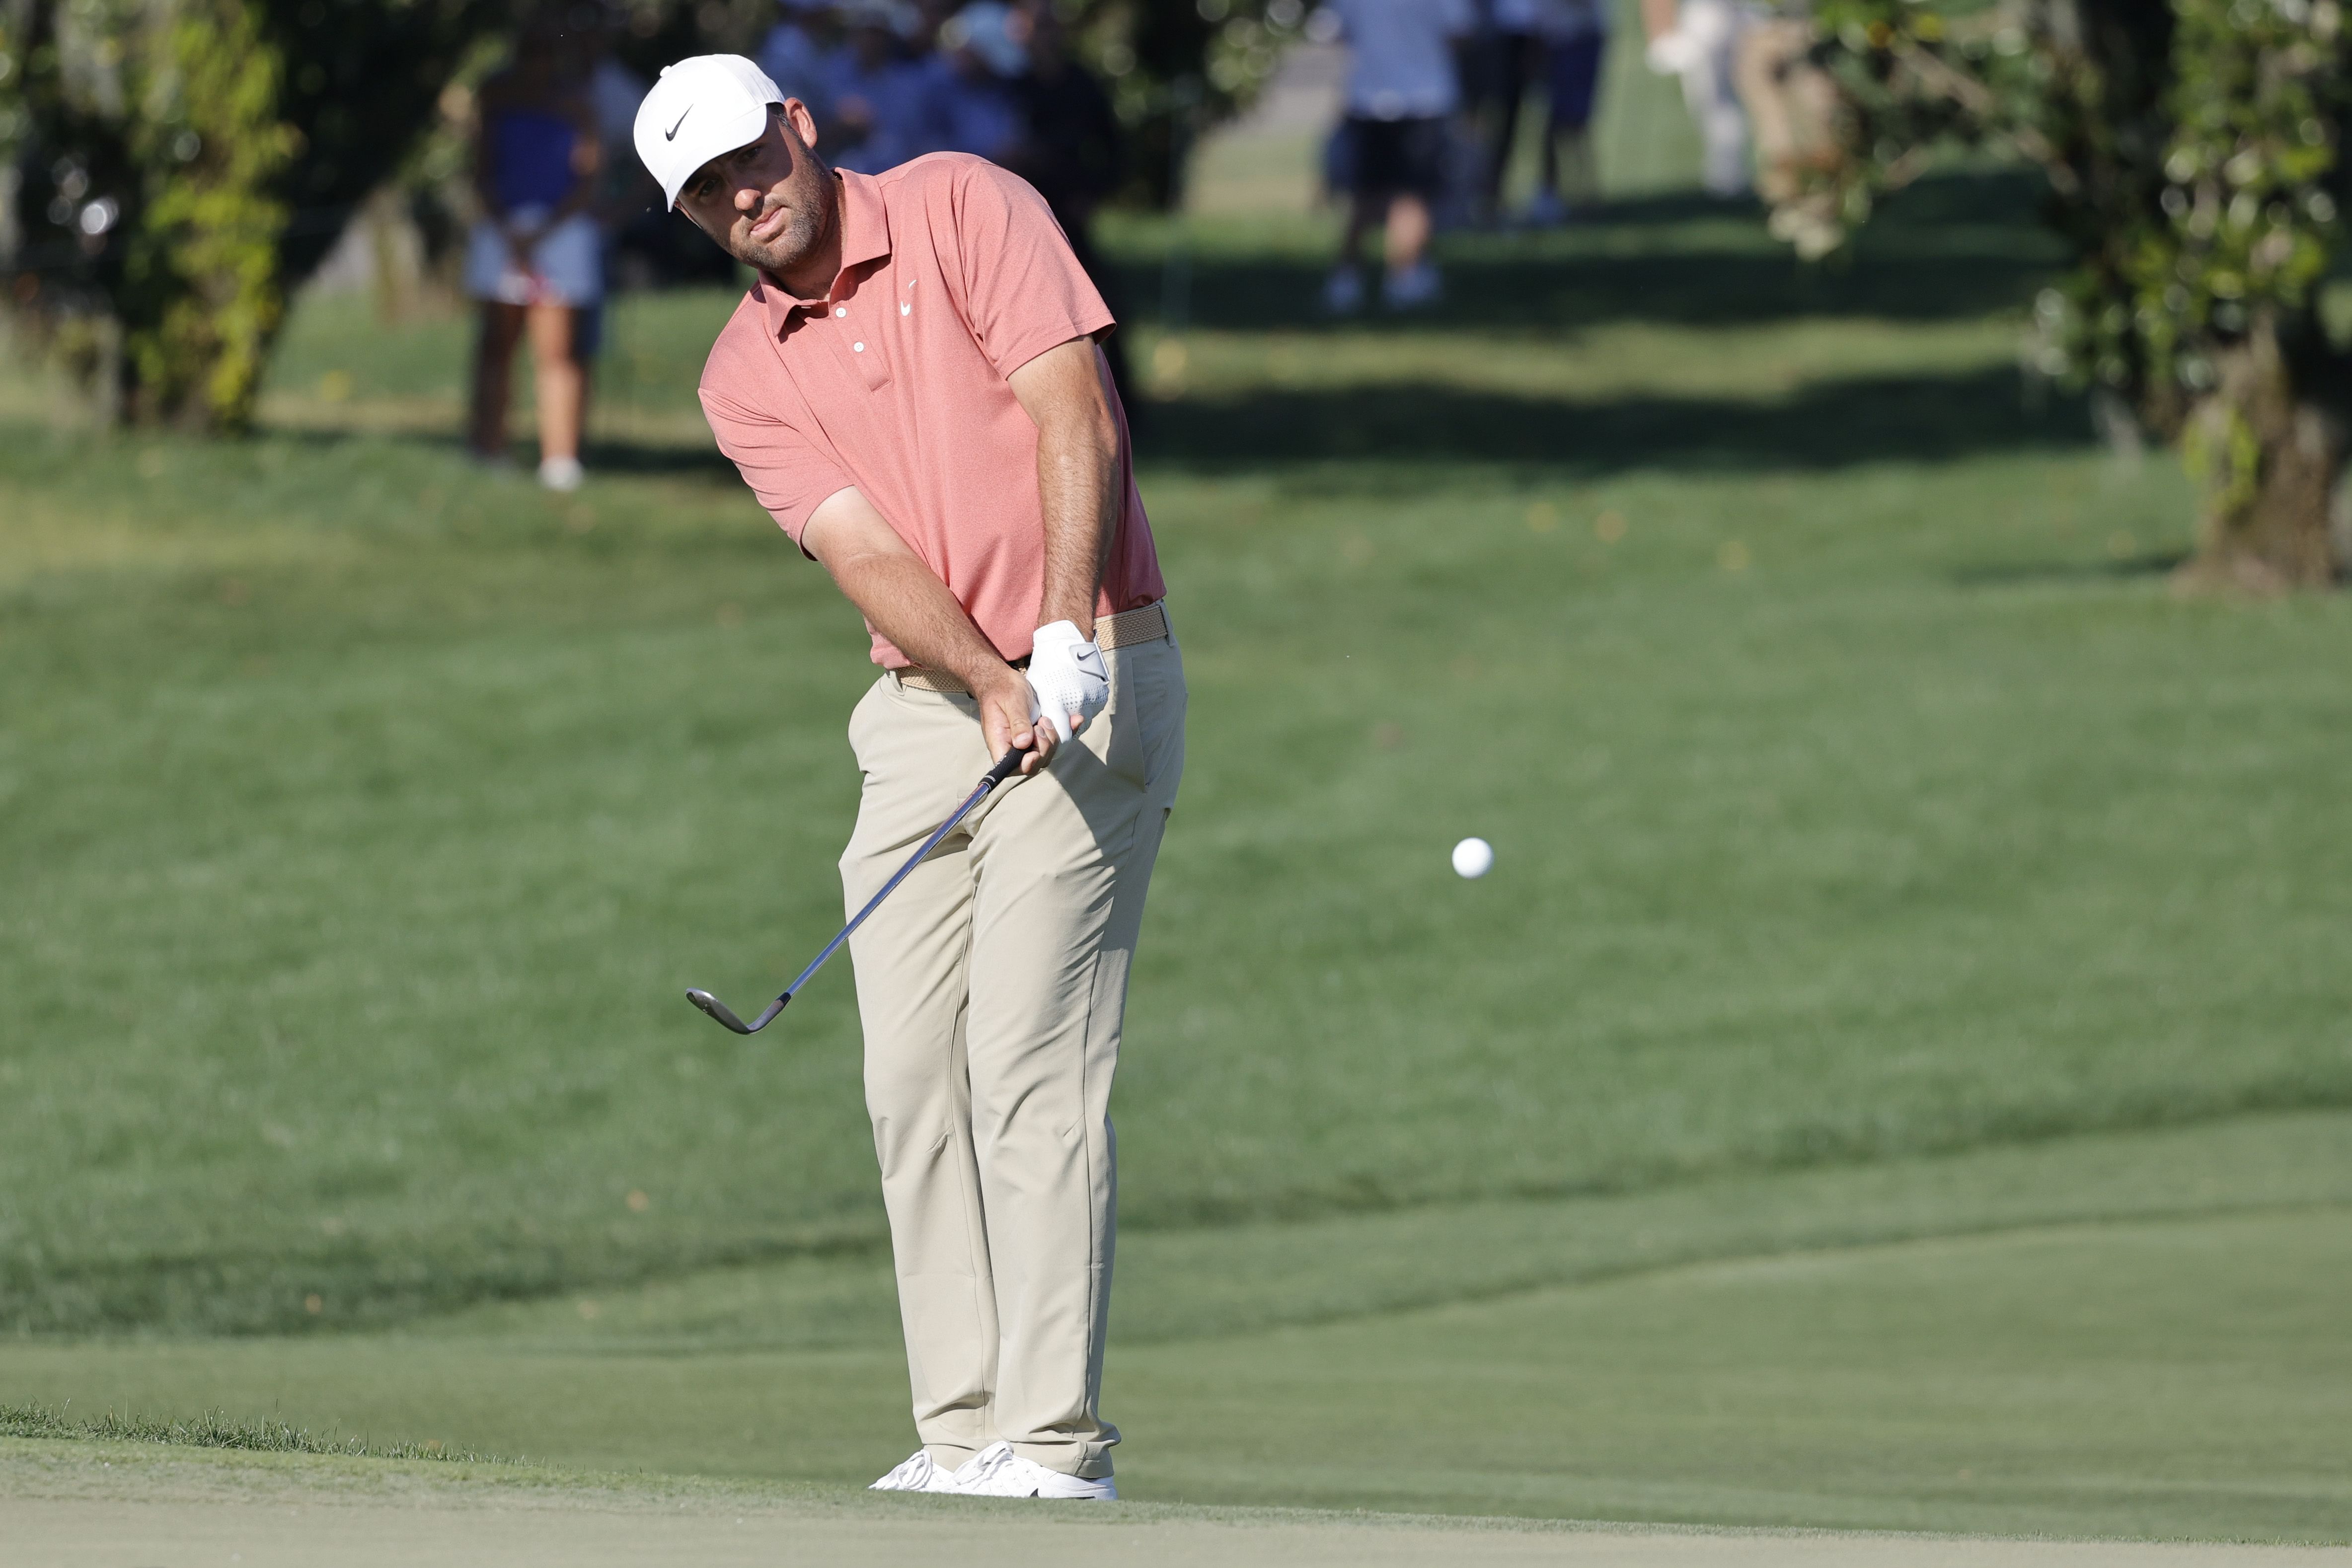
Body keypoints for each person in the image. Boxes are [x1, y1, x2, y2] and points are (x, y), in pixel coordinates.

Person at [631, 55, 1183, 1499]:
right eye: (704, 190)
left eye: (749, 155)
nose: (740, 194)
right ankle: (962, 1430)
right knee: (907, 1074)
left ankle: (1057, 1441)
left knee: (1024, 1056)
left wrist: (1059, 631)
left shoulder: (964, 207)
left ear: (798, 126)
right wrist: (990, 677)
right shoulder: (743, 373)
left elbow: (1077, 411)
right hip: (929, 700)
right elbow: (861, 548)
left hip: (1099, 657)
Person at [465, 14, 604, 491]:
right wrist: (508, 229)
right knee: (495, 344)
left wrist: (541, 234)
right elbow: (480, 168)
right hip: (503, 227)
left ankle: (559, 460)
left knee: (557, 349)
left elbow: (586, 179)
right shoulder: (496, 96)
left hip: (558, 230)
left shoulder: (576, 103)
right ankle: (487, 447)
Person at [1322, 0, 1473, 314]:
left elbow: (1333, 30)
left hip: (1367, 96)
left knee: (1366, 195)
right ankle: (1403, 278)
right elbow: (1459, 31)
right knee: (1413, 195)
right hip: (1424, 97)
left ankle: (1347, 279)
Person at [824, 0, 935, 173]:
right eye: (865, 32)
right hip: (839, 173)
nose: (871, 40)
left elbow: (916, 140)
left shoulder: (909, 83)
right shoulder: (831, 72)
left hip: (895, 175)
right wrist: (842, 124)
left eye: (877, 33)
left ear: (889, 37)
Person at [1522, 0, 1607, 225]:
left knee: (1572, 121)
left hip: (1575, 36)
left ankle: (1583, 193)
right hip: (1553, 36)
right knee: (1554, 119)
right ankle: (1565, 192)